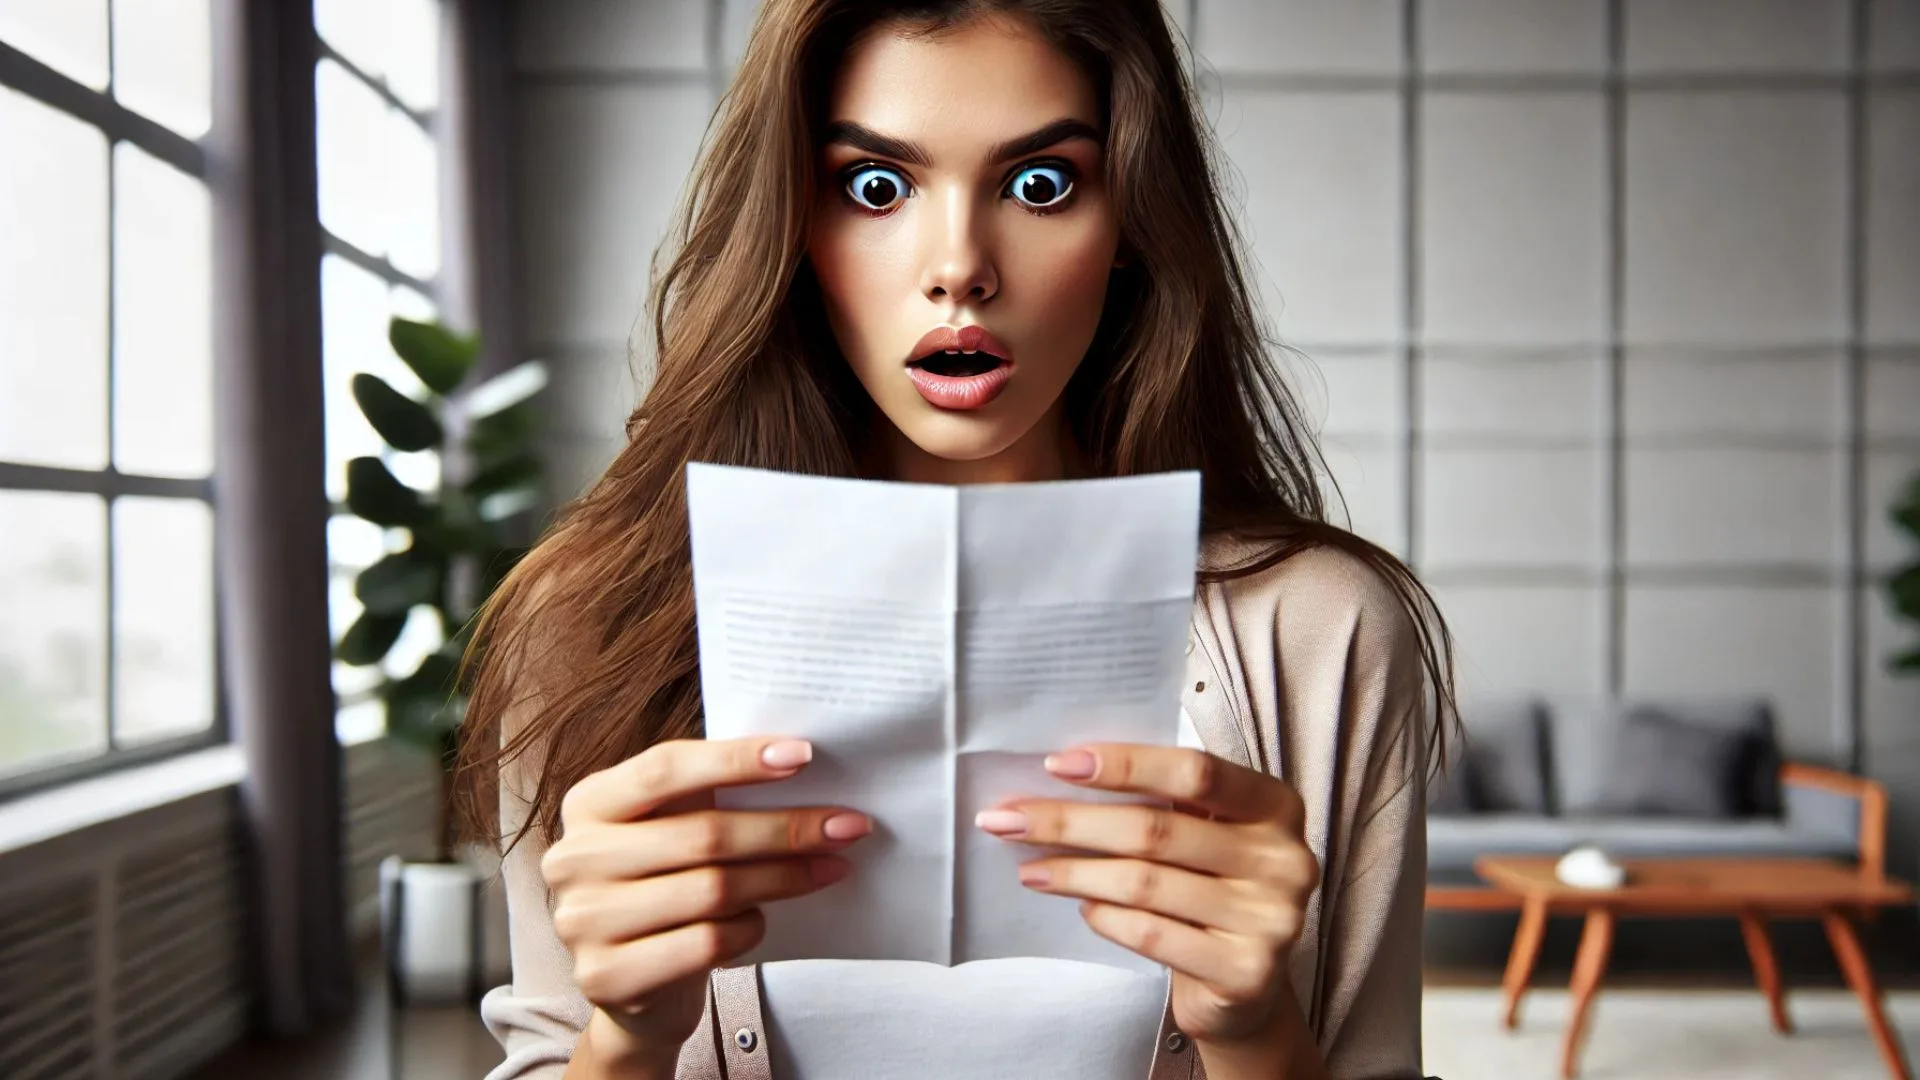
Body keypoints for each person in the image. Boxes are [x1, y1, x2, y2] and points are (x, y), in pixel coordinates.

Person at [456, 1, 1457, 1078]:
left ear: (1131, 224)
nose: (960, 268)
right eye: (875, 187)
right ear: (793, 226)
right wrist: (624, 1041)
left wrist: (1255, 1032)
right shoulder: (589, 625)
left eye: (1042, 184)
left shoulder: (1323, 628)